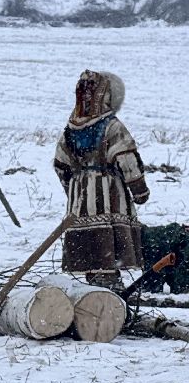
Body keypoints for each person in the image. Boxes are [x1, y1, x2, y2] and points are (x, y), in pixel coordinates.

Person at [53, 69, 149, 288]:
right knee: (108, 247)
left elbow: (60, 164)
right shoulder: (111, 126)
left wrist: (74, 190)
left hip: (80, 199)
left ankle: (94, 283)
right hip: (108, 192)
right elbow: (126, 159)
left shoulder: (70, 129)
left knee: (89, 249)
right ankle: (109, 286)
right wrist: (139, 190)